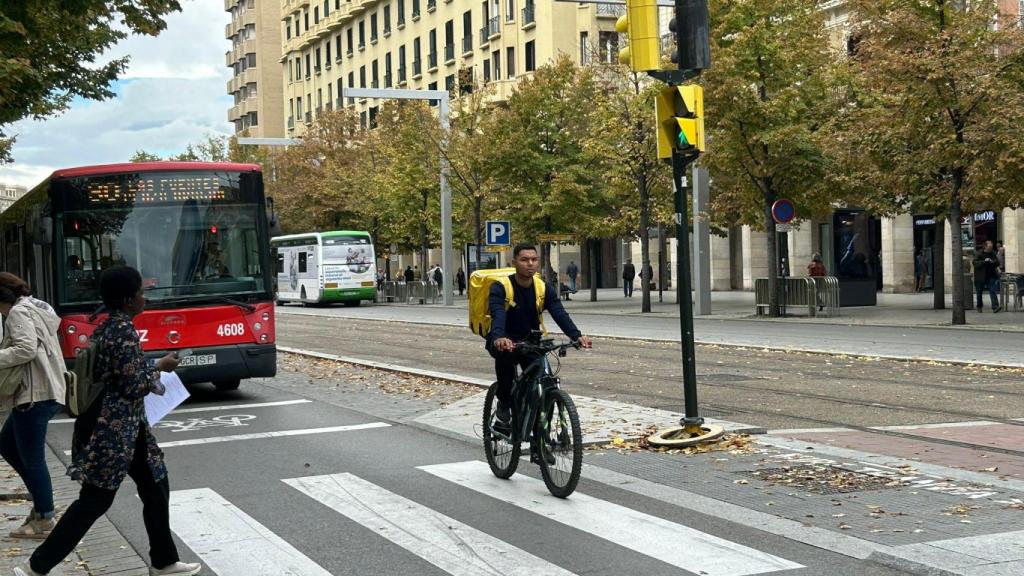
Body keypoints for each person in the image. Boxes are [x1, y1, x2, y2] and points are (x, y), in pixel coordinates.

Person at [17, 266, 201, 576]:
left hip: (129, 430)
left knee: (157, 485)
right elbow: (131, 385)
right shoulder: (123, 331)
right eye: (142, 293)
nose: (145, 298)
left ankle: (164, 561)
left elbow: (119, 376)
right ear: (129, 300)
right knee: (94, 501)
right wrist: (162, 367)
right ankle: (36, 567)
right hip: (112, 433)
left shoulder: (107, 327)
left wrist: (150, 369)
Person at [487, 244, 592, 434]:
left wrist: (576, 336)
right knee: (505, 367)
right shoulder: (501, 287)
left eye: (534, 260)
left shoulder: (543, 287)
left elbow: (559, 313)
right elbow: (497, 314)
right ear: (514, 263)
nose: (530, 264)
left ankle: (540, 443)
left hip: (531, 342)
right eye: (524, 260)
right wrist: (499, 337)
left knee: (547, 385)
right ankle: (504, 404)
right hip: (505, 340)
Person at [0, 273, 66, 540]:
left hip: (34, 394)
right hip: (45, 391)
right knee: (7, 445)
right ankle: (41, 506)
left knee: (33, 459)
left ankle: (45, 517)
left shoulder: (17, 313)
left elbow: (25, 349)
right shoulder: (36, 306)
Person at [974, 240, 1001, 312]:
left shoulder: (993, 253)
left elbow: (998, 262)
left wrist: (992, 261)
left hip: (991, 275)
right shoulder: (979, 253)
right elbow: (975, 263)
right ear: (985, 246)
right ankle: (979, 306)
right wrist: (984, 261)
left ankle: (995, 306)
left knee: (992, 291)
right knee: (979, 293)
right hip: (980, 277)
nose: (991, 248)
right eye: (989, 247)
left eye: (991, 247)